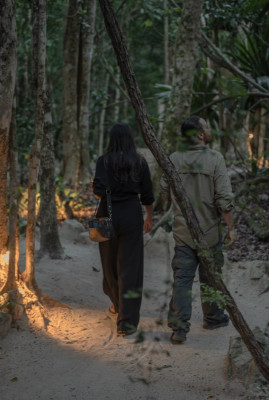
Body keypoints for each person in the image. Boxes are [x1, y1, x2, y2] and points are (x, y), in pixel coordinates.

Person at [160, 115, 237, 344]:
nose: (209, 128)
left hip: (183, 233)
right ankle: (213, 318)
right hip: (210, 233)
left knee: (182, 279)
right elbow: (224, 200)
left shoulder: (174, 158)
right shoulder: (215, 159)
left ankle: (179, 329)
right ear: (201, 135)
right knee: (210, 278)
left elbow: (164, 191)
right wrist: (231, 228)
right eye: (207, 126)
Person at [92, 123, 154, 336]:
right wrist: (149, 218)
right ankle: (126, 323)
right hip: (131, 214)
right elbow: (147, 194)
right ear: (130, 139)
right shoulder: (139, 162)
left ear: (111, 139)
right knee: (130, 267)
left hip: (107, 215)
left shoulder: (103, 161)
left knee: (109, 264)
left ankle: (117, 305)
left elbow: (98, 192)